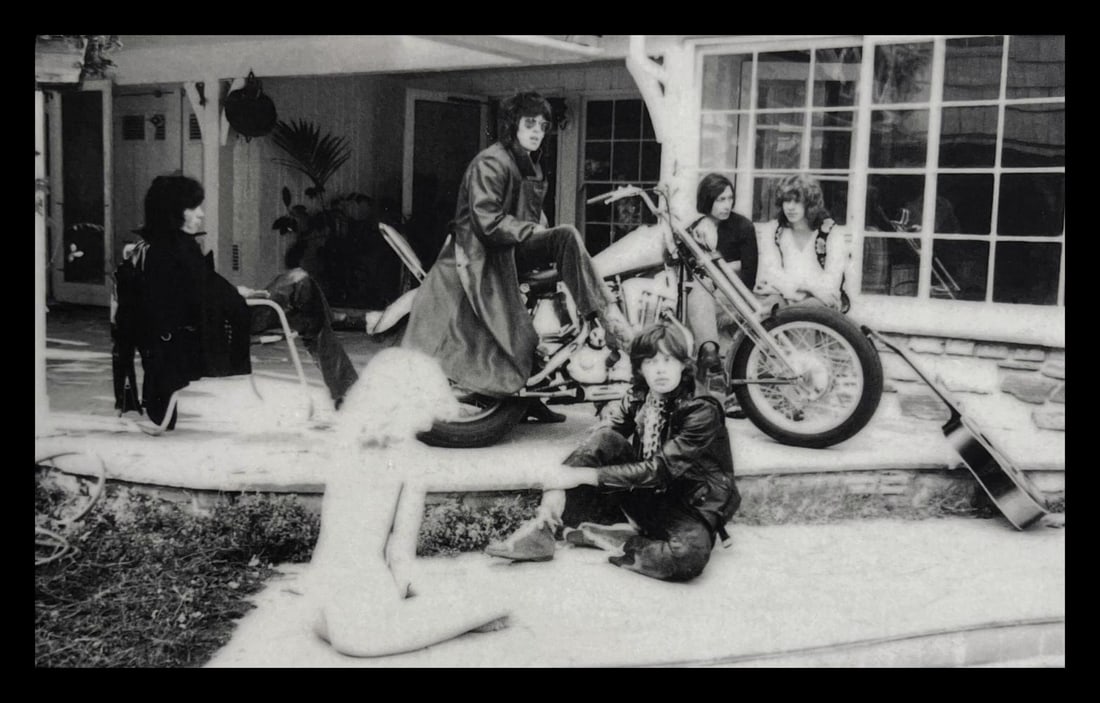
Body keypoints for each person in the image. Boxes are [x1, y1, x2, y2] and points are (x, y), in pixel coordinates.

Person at [401, 91, 632, 421]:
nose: (537, 130)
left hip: (507, 248)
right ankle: (607, 316)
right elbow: (486, 220)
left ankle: (538, 392)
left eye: (542, 124)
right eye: (529, 123)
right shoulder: (492, 162)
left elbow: (530, 215)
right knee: (567, 235)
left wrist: (539, 230)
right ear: (513, 125)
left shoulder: (528, 163)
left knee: (559, 250)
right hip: (482, 252)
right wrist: (535, 233)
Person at [485, 321, 741, 582]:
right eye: (650, 362)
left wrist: (584, 476)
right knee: (606, 439)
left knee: (686, 559)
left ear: (683, 364)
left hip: (690, 507)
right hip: (648, 494)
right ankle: (542, 528)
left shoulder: (701, 409)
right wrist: (560, 481)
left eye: (668, 360)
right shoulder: (641, 395)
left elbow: (660, 470)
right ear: (640, 367)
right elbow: (607, 434)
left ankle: (624, 540)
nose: (660, 370)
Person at [306, 348, 511, 656]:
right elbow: (400, 559)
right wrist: (424, 601)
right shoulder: (412, 460)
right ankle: (456, 614)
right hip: (361, 626)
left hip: (318, 610)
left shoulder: (346, 447)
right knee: (491, 605)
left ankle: (429, 610)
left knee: (433, 602)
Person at [115, 174, 251, 430]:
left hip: (189, 330)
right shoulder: (180, 251)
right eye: (193, 208)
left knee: (300, 295)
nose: (200, 214)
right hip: (227, 323)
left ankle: (344, 385)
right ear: (173, 212)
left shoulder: (154, 247)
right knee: (301, 287)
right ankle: (345, 387)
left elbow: (203, 292)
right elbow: (207, 297)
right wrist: (239, 296)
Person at [237, 238, 359, 409]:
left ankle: (347, 391)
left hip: (240, 311)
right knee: (299, 279)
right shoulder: (190, 268)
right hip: (237, 318)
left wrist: (238, 292)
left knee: (312, 322)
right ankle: (347, 388)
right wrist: (237, 293)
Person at [683, 173, 758, 411]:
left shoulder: (743, 226)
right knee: (700, 290)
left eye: (729, 198)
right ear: (707, 200)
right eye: (720, 199)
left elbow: (748, 275)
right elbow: (683, 272)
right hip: (701, 302)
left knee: (702, 288)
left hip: (733, 300)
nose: (727, 205)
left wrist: (714, 270)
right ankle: (711, 358)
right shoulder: (692, 230)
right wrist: (728, 267)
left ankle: (709, 358)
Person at [754, 174, 850, 312]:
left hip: (820, 302)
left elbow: (831, 284)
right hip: (786, 297)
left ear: (810, 204)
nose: (790, 207)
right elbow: (771, 276)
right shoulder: (774, 231)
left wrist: (791, 286)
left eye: (797, 201)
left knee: (803, 311)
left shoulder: (831, 234)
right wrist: (809, 288)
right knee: (762, 309)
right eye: (787, 201)